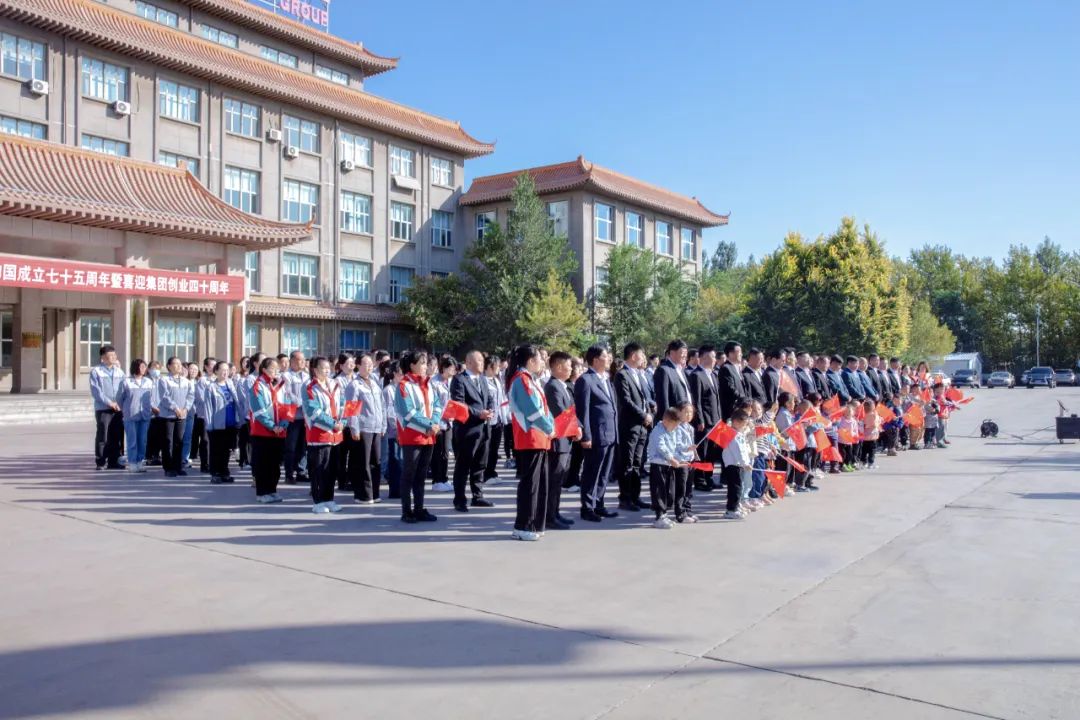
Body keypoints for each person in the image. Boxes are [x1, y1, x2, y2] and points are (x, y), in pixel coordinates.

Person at [506, 344, 555, 541]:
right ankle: (523, 525)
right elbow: (532, 410)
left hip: (539, 437)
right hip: (530, 437)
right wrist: (549, 426)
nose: (543, 361)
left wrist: (550, 424)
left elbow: (543, 408)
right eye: (540, 358)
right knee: (530, 484)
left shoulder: (530, 379)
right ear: (531, 360)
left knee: (540, 483)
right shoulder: (521, 380)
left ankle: (535, 523)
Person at [394, 350, 444, 523]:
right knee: (409, 474)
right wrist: (429, 425)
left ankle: (419, 508)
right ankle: (406, 511)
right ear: (412, 365)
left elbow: (437, 405)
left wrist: (434, 423)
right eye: (422, 363)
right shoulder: (403, 385)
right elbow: (408, 413)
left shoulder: (429, 384)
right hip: (412, 436)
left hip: (429, 436)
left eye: (426, 363)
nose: (425, 366)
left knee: (421, 475)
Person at [575, 345, 619, 522]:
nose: (609, 359)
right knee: (592, 472)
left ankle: (599, 504)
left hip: (610, 433)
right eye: (605, 356)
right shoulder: (585, 380)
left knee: (604, 473)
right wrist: (586, 436)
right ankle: (587, 507)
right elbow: (582, 411)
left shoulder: (606, 379)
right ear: (595, 360)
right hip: (596, 434)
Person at [449, 351, 496, 512]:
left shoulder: (482, 378)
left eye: (482, 360)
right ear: (468, 362)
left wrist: (490, 410)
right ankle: (459, 499)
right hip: (467, 429)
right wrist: (478, 413)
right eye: (479, 360)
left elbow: (489, 398)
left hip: (483, 428)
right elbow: (459, 403)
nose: (482, 363)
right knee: (463, 465)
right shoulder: (459, 379)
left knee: (480, 464)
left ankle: (478, 496)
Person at [304, 356, 346, 514]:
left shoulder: (335, 384)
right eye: (323, 368)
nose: (327, 371)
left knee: (332, 469)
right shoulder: (310, 387)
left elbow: (343, 405)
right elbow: (313, 411)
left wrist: (343, 422)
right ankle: (318, 501)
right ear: (315, 370)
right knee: (319, 470)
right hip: (319, 436)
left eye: (329, 368)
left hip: (335, 436)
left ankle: (329, 499)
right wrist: (332, 423)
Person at [613, 342, 652, 512]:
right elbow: (626, 401)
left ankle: (636, 496)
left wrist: (649, 412)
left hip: (642, 425)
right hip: (630, 425)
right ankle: (625, 498)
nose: (643, 358)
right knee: (627, 463)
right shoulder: (622, 375)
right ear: (634, 355)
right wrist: (643, 415)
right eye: (641, 355)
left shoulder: (638, 374)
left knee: (638, 463)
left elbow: (644, 398)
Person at [544, 351, 579, 530]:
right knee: (554, 480)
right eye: (568, 365)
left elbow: (572, 410)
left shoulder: (562, 385)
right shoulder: (552, 387)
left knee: (558, 480)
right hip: (558, 441)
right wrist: (576, 429)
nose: (571, 368)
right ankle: (550, 516)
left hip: (566, 439)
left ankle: (555, 513)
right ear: (558, 366)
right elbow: (560, 413)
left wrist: (577, 427)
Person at [345, 353, 386, 504]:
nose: (369, 367)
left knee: (375, 461)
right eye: (366, 364)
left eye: (371, 364)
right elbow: (351, 409)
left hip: (376, 428)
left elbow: (382, 406)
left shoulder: (374, 383)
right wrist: (354, 428)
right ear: (358, 366)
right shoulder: (354, 385)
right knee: (363, 462)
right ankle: (363, 494)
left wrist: (383, 425)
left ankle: (375, 493)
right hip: (363, 428)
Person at [249, 357, 288, 503]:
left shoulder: (281, 385)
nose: (276, 371)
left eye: (277, 368)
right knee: (263, 463)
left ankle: (272, 490)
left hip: (279, 431)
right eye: (272, 368)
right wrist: (272, 426)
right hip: (262, 432)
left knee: (275, 464)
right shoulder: (257, 386)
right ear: (264, 370)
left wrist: (283, 424)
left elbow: (287, 405)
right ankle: (262, 492)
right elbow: (259, 410)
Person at [645, 406, 691, 529]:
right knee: (659, 491)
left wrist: (687, 448)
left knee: (668, 491)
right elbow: (662, 447)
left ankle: (664, 514)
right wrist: (671, 459)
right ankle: (659, 517)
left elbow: (677, 445)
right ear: (667, 421)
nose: (675, 428)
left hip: (668, 465)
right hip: (658, 465)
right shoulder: (657, 431)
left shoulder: (672, 430)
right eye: (674, 425)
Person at [689, 344, 722, 493]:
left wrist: (720, 418)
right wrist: (700, 420)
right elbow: (696, 401)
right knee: (702, 451)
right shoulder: (696, 375)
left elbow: (717, 400)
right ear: (703, 357)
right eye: (712, 357)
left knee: (712, 453)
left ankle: (709, 477)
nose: (715, 360)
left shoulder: (713, 374)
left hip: (715, 420)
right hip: (704, 421)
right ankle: (699, 479)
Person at [156, 356, 195, 478]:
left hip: (182, 415)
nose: (179, 366)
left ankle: (178, 466)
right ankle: (168, 467)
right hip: (167, 415)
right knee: (168, 442)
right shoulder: (164, 380)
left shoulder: (186, 381)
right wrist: (175, 408)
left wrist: (185, 408)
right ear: (169, 366)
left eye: (180, 364)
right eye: (175, 364)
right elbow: (164, 397)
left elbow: (191, 396)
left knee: (179, 441)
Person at [90, 344, 126, 470]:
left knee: (117, 435)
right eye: (110, 355)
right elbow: (96, 391)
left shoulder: (119, 371)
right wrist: (109, 402)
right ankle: (101, 461)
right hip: (103, 408)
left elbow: (124, 389)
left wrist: (120, 403)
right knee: (103, 435)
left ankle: (114, 461)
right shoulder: (96, 371)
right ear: (103, 357)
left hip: (118, 409)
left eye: (114, 355)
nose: (113, 357)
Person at [204, 360, 240, 484]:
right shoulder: (211, 387)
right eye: (222, 370)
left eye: (227, 370)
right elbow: (208, 408)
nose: (225, 372)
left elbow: (236, 403)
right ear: (216, 371)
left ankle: (225, 472)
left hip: (230, 423)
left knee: (226, 450)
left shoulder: (230, 384)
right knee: (216, 450)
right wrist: (209, 426)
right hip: (217, 425)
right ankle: (215, 473)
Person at [117, 358, 153, 474]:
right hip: (130, 415)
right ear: (135, 367)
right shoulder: (126, 382)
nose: (144, 369)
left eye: (145, 367)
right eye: (141, 366)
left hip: (145, 414)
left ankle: (140, 462)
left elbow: (152, 397)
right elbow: (120, 399)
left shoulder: (148, 382)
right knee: (132, 440)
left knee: (142, 440)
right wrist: (126, 410)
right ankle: (132, 463)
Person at [282, 350, 310, 485]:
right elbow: (287, 394)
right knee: (291, 447)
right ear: (292, 361)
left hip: (306, 417)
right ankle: (289, 474)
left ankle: (301, 472)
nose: (303, 362)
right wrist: (303, 403)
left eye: (304, 359)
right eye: (300, 359)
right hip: (293, 417)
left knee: (304, 446)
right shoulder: (286, 376)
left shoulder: (307, 376)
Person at [430, 355, 457, 492]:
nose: (453, 371)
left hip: (449, 421)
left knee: (445, 452)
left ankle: (444, 478)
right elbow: (433, 403)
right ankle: (437, 480)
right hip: (438, 421)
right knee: (438, 452)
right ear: (444, 368)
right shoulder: (434, 382)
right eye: (451, 369)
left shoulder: (452, 381)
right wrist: (441, 415)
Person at [720, 408, 753, 520]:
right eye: (744, 424)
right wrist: (745, 463)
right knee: (735, 488)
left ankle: (736, 506)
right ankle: (731, 510)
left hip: (739, 465)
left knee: (739, 487)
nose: (745, 427)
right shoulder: (732, 435)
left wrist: (746, 462)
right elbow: (737, 451)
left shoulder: (739, 434)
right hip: (734, 465)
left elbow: (744, 450)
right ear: (736, 422)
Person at [333, 353, 357, 492]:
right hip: (343, 421)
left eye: (353, 363)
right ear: (341, 366)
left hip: (355, 420)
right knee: (342, 454)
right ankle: (342, 481)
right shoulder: (337, 381)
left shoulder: (357, 378)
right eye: (348, 363)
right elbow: (343, 401)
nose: (351, 366)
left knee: (354, 454)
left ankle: (352, 479)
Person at [382, 361, 404, 499]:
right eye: (401, 373)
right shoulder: (389, 390)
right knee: (395, 460)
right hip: (394, 432)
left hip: (404, 430)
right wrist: (397, 429)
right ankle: (395, 490)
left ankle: (401, 487)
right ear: (394, 374)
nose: (403, 376)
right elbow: (390, 413)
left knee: (402, 460)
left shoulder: (403, 388)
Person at [191, 356, 216, 475]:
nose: (214, 367)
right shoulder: (202, 381)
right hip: (204, 415)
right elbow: (202, 398)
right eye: (211, 365)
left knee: (214, 441)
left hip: (216, 416)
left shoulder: (217, 380)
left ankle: (213, 463)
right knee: (205, 440)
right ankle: (205, 464)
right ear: (206, 367)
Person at [653, 339, 690, 419]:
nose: (685, 356)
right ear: (672, 353)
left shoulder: (681, 370)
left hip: (685, 417)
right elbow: (663, 400)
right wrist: (667, 420)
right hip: (673, 419)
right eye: (682, 353)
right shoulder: (663, 370)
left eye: (686, 353)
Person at [717, 341, 748, 422]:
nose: (741, 354)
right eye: (739, 352)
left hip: (741, 407)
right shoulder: (726, 368)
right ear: (731, 353)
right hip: (731, 410)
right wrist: (743, 398)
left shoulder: (736, 367)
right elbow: (730, 388)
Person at [860, 399, 881, 469]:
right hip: (872, 436)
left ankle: (863, 462)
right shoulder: (873, 415)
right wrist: (879, 420)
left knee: (864, 450)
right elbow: (875, 424)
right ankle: (871, 463)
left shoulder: (863, 414)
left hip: (865, 436)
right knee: (872, 451)